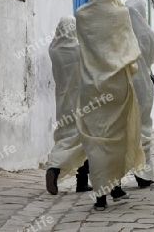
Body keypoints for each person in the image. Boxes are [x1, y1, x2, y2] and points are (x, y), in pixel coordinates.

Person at [76, 0, 145, 211]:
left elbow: (82, 50)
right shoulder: (120, 12)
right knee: (116, 137)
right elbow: (130, 48)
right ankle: (113, 185)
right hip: (117, 85)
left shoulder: (81, 14)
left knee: (96, 138)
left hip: (91, 87)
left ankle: (101, 195)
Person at [45, 16, 92, 195]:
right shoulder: (79, 48)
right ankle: (58, 169)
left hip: (63, 101)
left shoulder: (53, 49)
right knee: (83, 139)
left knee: (65, 135)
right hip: (81, 100)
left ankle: (61, 172)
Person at [126, 0, 154, 188]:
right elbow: (152, 57)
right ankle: (143, 172)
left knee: (124, 126)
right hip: (143, 84)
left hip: (124, 83)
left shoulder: (119, 30)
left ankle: (119, 172)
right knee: (144, 126)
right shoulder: (147, 34)